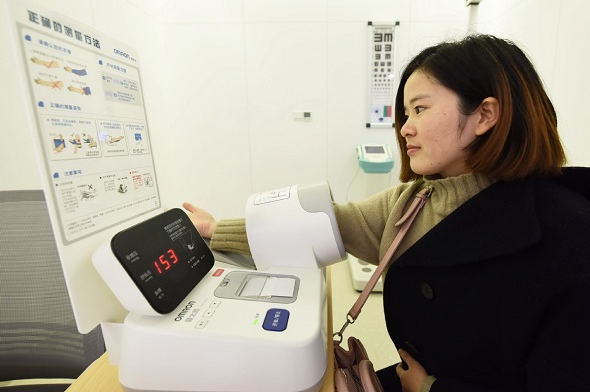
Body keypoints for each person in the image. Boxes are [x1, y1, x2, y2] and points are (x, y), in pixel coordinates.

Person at [183, 34, 590, 391]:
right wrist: (216, 229)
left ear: (484, 114)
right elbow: (326, 226)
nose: (404, 128)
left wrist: (433, 388)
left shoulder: (570, 233)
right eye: (405, 114)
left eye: (420, 109)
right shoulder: (413, 200)